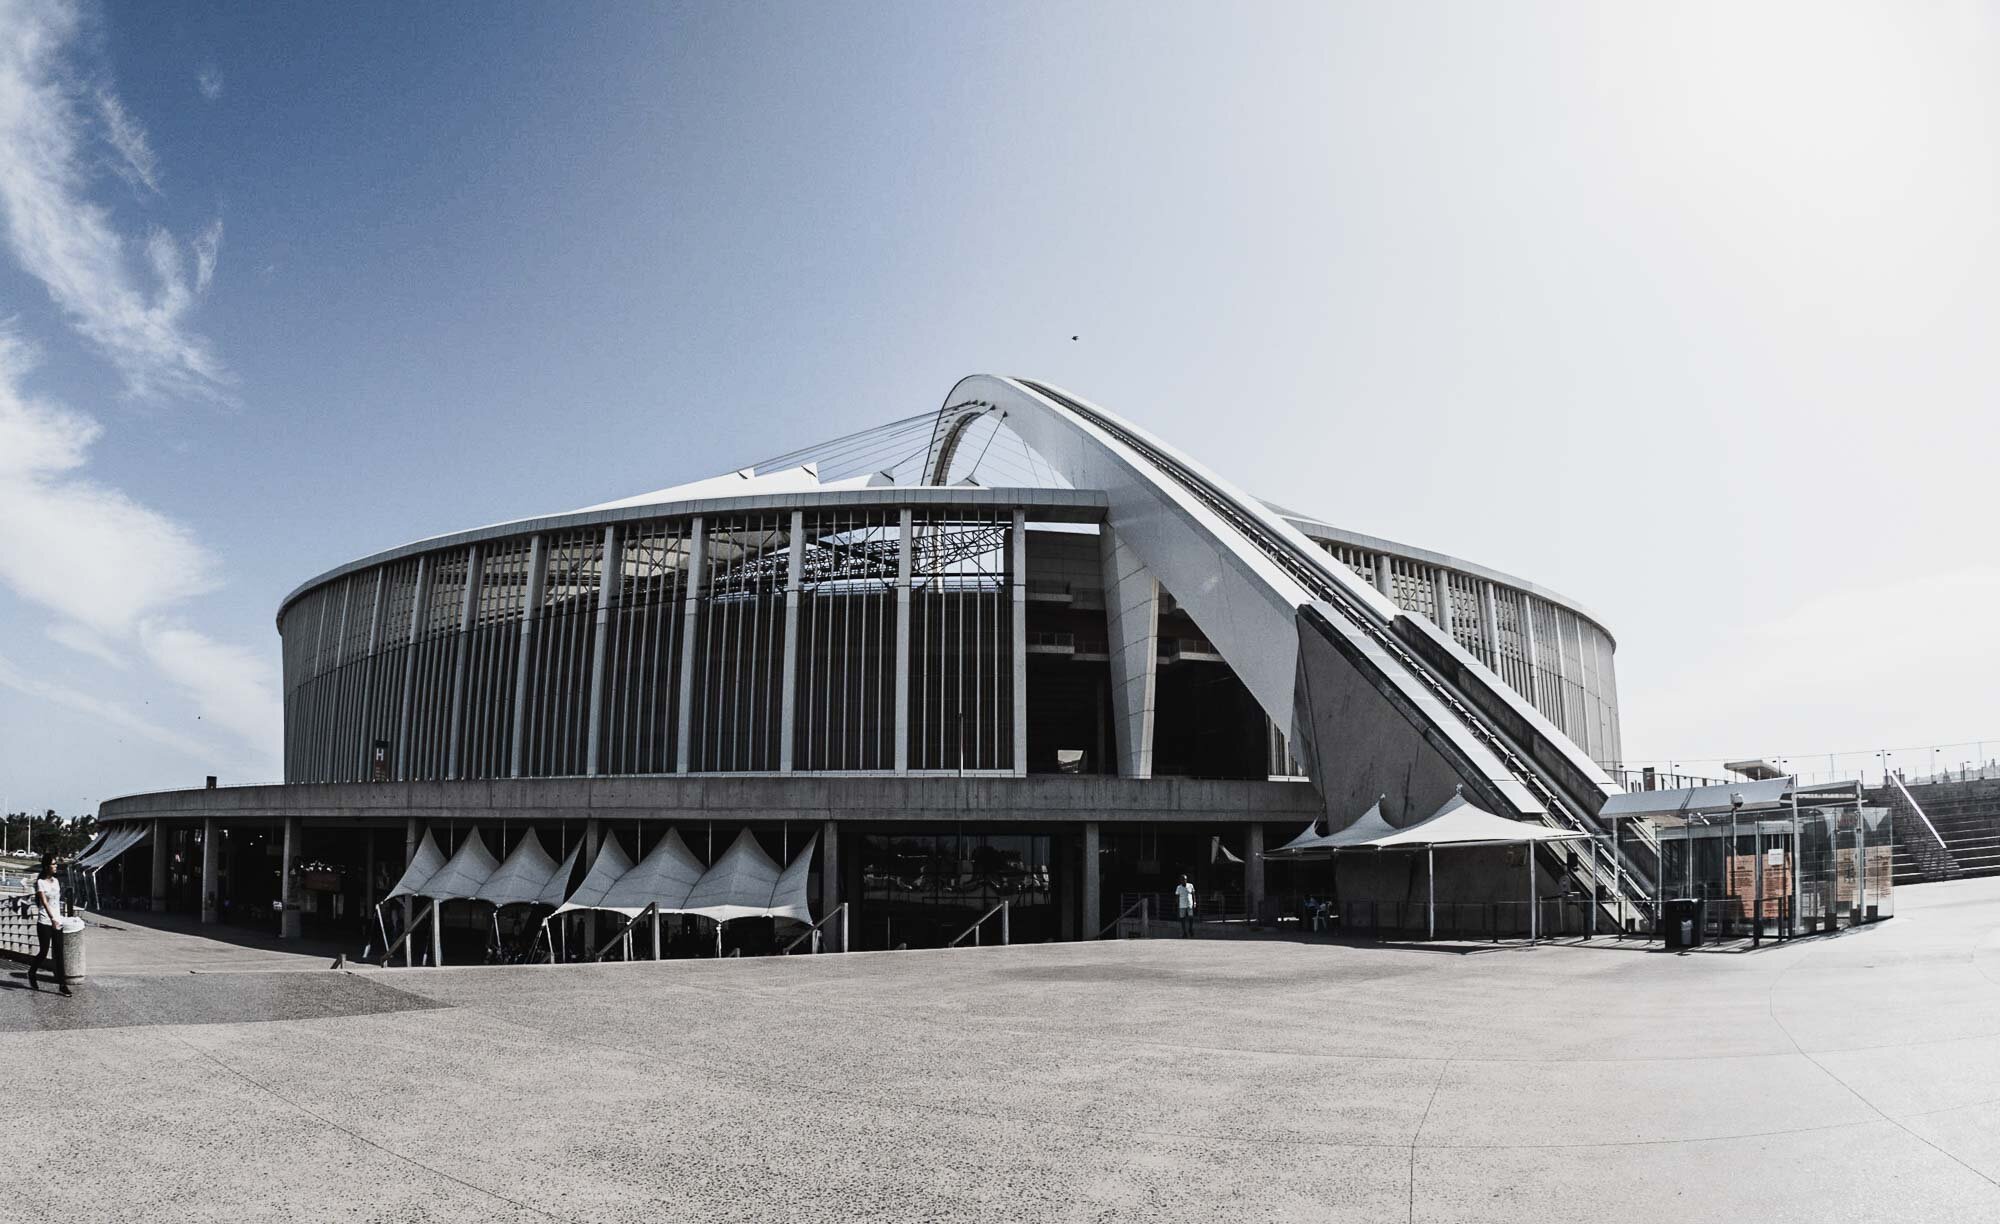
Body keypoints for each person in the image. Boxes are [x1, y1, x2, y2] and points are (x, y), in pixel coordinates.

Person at [29, 854, 71, 996]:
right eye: (53, 864)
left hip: (56, 921)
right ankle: (32, 972)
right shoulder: (40, 882)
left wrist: (59, 918)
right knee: (44, 951)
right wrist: (52, 918)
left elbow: (56, 902)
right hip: (45, 921)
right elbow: (44, 903)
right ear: (47, 866)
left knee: (59, 953)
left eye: (56, 864)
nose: (56, 866)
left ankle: (62, 985)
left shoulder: (56, 881)